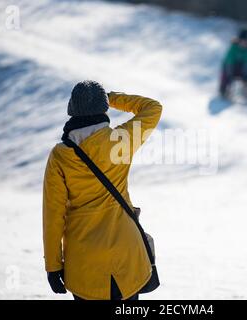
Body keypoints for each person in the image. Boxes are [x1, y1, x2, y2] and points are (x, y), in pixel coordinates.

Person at [43, 80, 162, 300]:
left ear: (72, 110)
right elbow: (153, 107)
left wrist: (52, 265)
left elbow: (53, 216)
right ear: (104, 107)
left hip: (84, 263)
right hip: (127, 259)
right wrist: (112, 98)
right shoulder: (120, 141)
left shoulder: (60, 156)